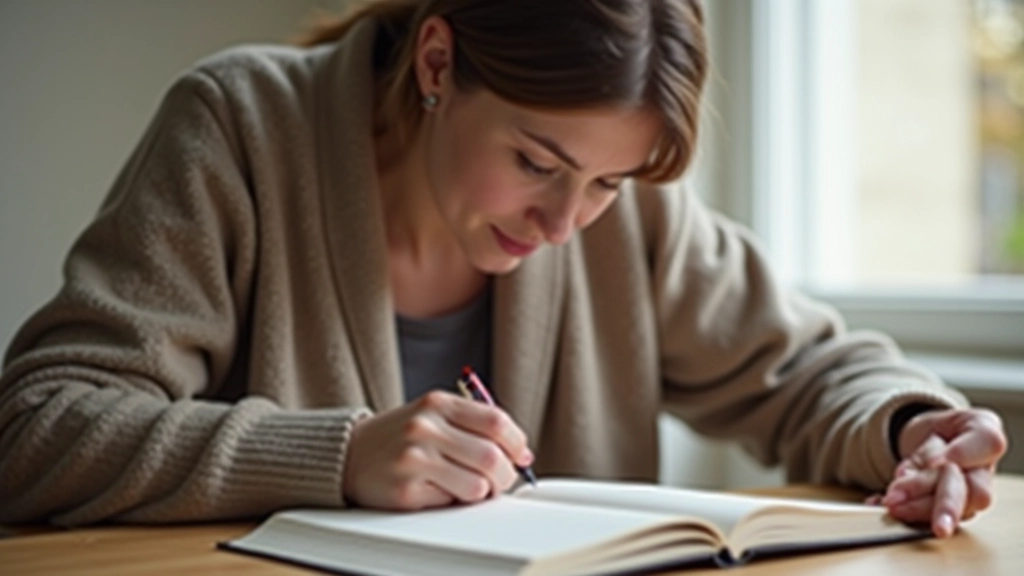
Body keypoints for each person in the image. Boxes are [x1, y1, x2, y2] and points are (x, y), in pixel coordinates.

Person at [0, 0, 1006, 538]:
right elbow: (35, 431)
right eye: (535, 162)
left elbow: (809, 372)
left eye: (607, 183)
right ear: (437, 64)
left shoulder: (627, 205)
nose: (569, 220)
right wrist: (338, 457)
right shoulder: (240, 129)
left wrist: (914, 428)